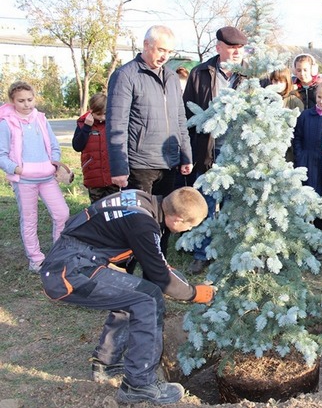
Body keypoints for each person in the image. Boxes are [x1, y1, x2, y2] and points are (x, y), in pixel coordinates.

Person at [39, 187, 215, 405]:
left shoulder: (142, 200)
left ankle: (106, 363)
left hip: (77, 257)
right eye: (189, 226)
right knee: (148, 298)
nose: (187, 230)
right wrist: (195, 293)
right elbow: (161, 279)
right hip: (70, 271)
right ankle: (139, 384)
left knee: (132, 293)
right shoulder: (144, 225)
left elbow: (156, 268)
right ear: (177, 219)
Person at [106, 25, 194, 258]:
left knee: (163, 221)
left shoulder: (172, 77)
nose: (165, 56)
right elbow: (116, 125)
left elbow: (179, 118)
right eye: (161, 50)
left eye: (170, 52)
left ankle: (157, 268)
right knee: (137, 223)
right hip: (139, 165)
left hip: (169, 163)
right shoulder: (126, 75)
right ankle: (125, 269)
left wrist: (186, 154)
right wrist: (119, 167)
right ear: (146, 46)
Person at [182, 25, 248, 274]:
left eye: (240, 48)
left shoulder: (251, 76)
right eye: (231, 47)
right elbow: (187, 114)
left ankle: (230, 253)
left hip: (238, 155)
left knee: (233, 206)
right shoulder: (200, 73)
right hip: (208, 152)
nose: (236, 52)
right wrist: (187, 152)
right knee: (205, 204)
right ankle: (201, 254)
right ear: (218, 46)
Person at [0, 81, 70, 273]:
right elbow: (1, 154)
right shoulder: (6, 123)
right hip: (24, 181)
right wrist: (16, 169)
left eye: (30, 99)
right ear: (12, 101)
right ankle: (36, 259)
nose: (27, 104)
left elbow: (54, 145)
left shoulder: (41, 118)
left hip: (47, 178)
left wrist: (54, 163)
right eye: (21, 101)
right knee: (30, 220)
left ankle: (59, 254)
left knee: (62, 213)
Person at [292, 80, 322, 236]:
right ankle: (305, 236)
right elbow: (297, 137)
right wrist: (300, 156)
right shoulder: (306, 115)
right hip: (307, 162)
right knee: (306, 199)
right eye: (319, 97)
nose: (321, 101)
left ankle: (321, 236)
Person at [72, 92, 120, 203]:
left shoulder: (114, 123)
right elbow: (77, 146)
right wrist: (86, 127)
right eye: (99, 114)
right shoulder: (82, 124)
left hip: (112, 175)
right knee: (96, 208)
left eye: (105, 114)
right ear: (91, 110)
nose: (103, 118)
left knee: (115, 206)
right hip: (93, 175)